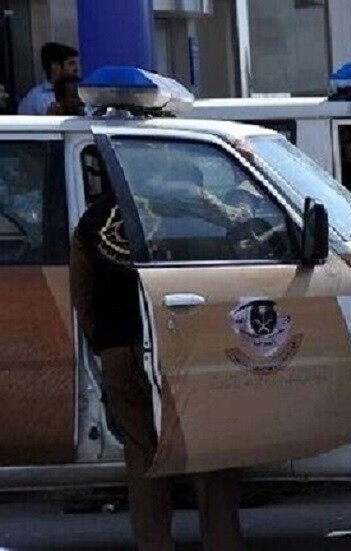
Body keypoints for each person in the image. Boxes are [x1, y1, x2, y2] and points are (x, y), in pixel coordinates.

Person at [71, 177, 244, 549]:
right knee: (209, 454)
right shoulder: (192, 206)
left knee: (143, 460)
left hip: (120, 351)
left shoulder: (93, 219)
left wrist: (105, 346)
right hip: (186, 347)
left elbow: (83, 298)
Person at [18, 42, 80, 116]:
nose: (76, 69)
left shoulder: (82, 92)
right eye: (71, 64)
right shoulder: (35, 99)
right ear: (54, 66)